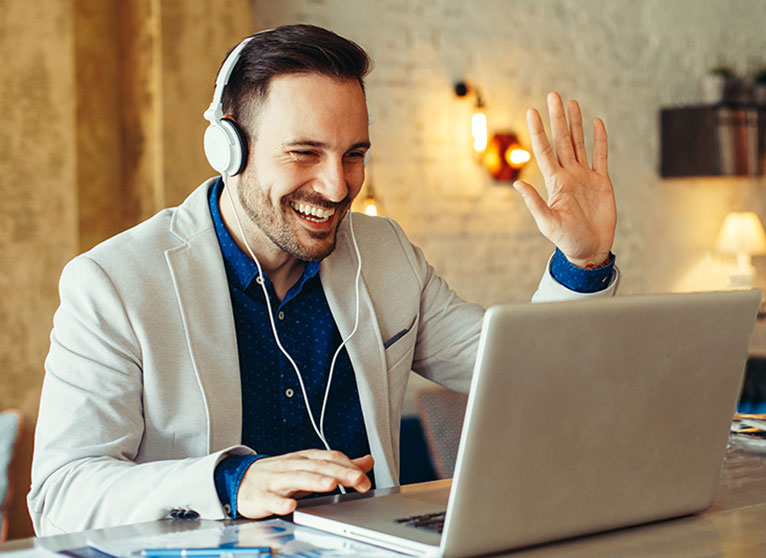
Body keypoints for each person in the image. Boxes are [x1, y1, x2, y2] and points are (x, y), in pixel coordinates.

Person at [28, 24, 619, 535]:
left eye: (354, 154)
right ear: (228, 148)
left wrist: (583, 259)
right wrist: (231, 481)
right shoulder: (111, 284)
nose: (337, 187)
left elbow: (524, 374)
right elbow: (62, 494)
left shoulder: (386, 253)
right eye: (305, 153)